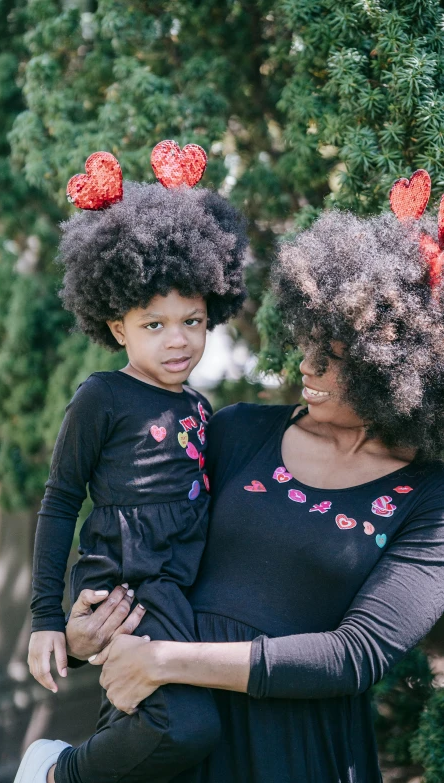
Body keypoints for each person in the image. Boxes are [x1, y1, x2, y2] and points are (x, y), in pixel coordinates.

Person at [66, 175, 444, 783]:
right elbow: (148, 549)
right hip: (175, 737)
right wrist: (86, 634)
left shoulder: (430, 501)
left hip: (295, 755)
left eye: (337, 356)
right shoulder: (238, 431)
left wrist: (169, 659)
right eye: (310, 340)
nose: (307, 364)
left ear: (401, 371)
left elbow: (356, 656)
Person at [13, 145, 248, 783]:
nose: (178, 340)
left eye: (193, 320)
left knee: (156, 727)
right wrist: (45, 620)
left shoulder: (200, 408)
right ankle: (54, 773)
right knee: (186, 726)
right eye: (154, 324)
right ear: (118, 326)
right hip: (126, 584)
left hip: (179, 587)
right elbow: (61, 499)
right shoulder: (103, 395)